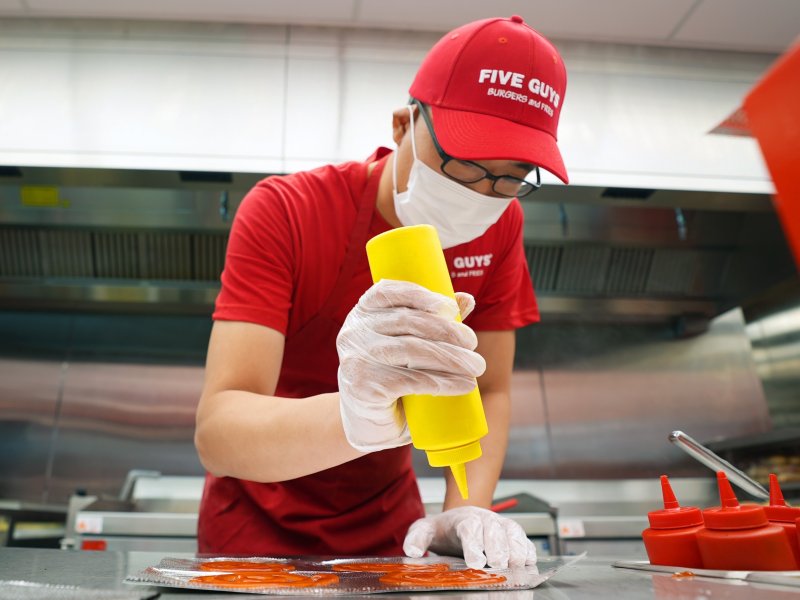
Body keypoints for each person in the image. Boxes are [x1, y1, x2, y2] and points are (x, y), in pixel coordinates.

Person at [194, 14, 568, 569]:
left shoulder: (501, 225)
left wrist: (464, 509)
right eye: (465, 164)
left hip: (391, 536)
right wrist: (354, 417)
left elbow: (488, 388)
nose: (484, 196)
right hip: (254, 534)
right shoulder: (287, 212)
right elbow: (219, 431)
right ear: (402, 125)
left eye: (511, 177)